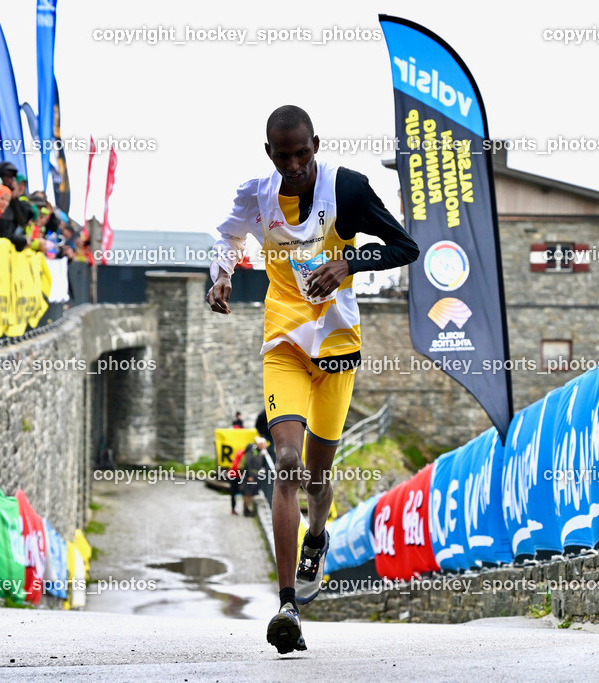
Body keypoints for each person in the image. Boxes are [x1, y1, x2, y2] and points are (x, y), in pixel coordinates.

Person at [206, 105, 419, 653]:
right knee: (288, 464)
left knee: (319, 481)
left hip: (338, 349)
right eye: (284, 156)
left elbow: (405, 246)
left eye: (303, 153)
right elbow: (228, 236)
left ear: (316, 145)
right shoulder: (256, 194)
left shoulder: (346, 189)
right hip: (283, 343)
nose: (295, 164)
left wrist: (349, 265)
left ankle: (317, 538)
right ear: (269, 154)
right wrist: (223, 277)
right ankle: (286, 606)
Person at [241, 437, 268, 517]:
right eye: (263, 444)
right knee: (248, 493)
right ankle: (246, 510)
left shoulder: (260, 452)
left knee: (251, 493)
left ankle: (248, 509)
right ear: (259, 444)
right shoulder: (252, 451)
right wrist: (248, 476)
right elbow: (247, 463)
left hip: (255, 476)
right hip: (250, 476)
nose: (265, 446)